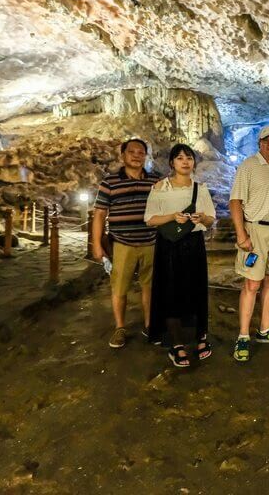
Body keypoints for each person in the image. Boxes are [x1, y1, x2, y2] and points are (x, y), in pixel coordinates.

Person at [144, 144, 216, 367]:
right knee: (171, 292)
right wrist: (172, 217)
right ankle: (176, 344)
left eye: (189, 158)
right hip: (169, 245)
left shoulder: (200, 188)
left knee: (195, 290)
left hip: (194, 243)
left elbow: (210, 219)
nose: (185, 162)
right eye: (179, 158)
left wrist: (201, 218)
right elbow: (150, 219)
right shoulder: (160, 188)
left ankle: (200, 337)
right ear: (172, 163)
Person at [229, 126, 269, 363]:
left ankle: (265, 329)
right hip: (254, 231)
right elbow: (235, 201)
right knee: (252, 283)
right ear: (259, 143)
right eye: (266, 140)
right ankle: (243, 335)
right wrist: (241, 234)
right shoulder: (248, 166)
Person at [92, 138, 160, 349]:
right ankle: (120, 327)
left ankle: (149, 325)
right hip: (122, 244)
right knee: (119, 288)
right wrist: (96, 244)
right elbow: (100, 214)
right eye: (132, 151)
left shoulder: (156, 181)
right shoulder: (110, 182)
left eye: (141, 152)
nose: (137, 155)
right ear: (123, 155)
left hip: (151, 242)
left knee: (150, 287)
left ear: (145, 156)